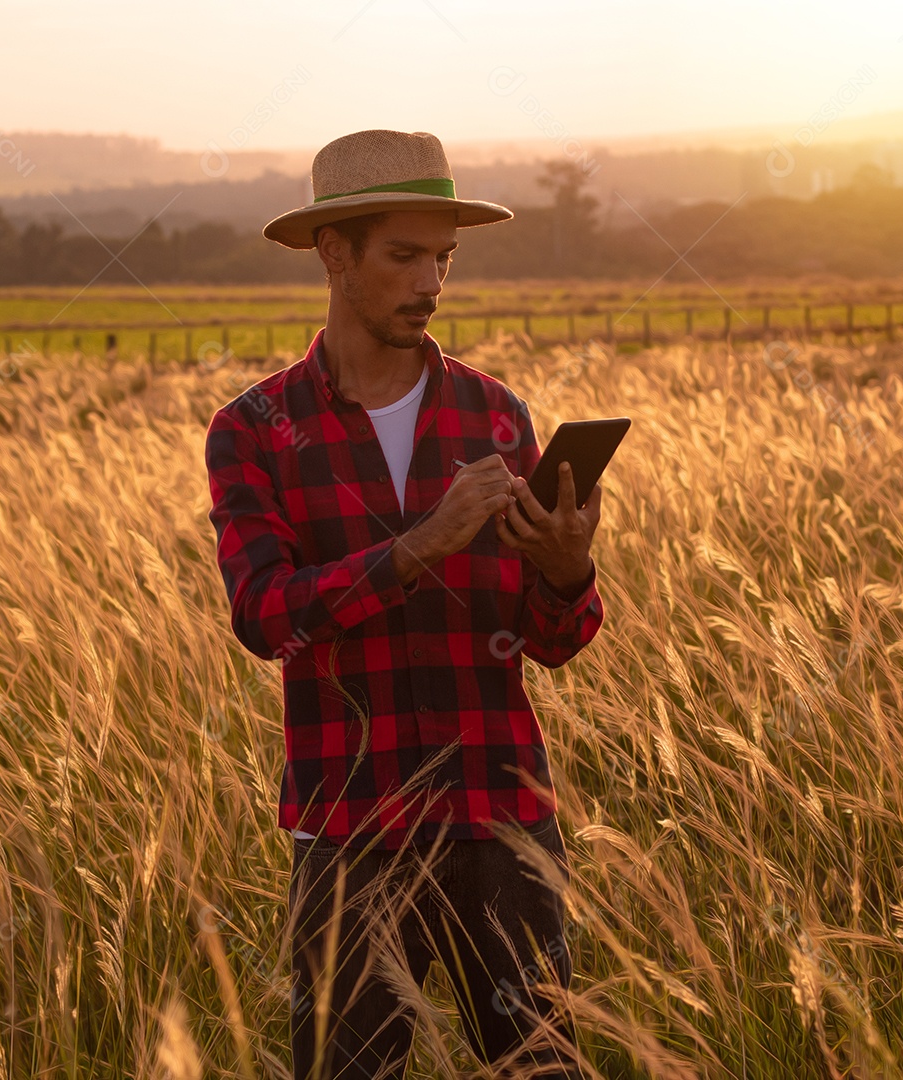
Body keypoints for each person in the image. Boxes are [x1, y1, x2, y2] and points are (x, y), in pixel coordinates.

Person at [204, 129, 604, 1079]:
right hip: (349, 831)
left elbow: (553, 643)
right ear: (333, 253)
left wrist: (564, 571)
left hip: (502, 817)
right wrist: (418, 546)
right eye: (404, 255)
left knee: (540, 1070)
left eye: (444, 258)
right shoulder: (253, 431)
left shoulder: (495, 416)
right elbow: (264, 616)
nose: (431, 281)